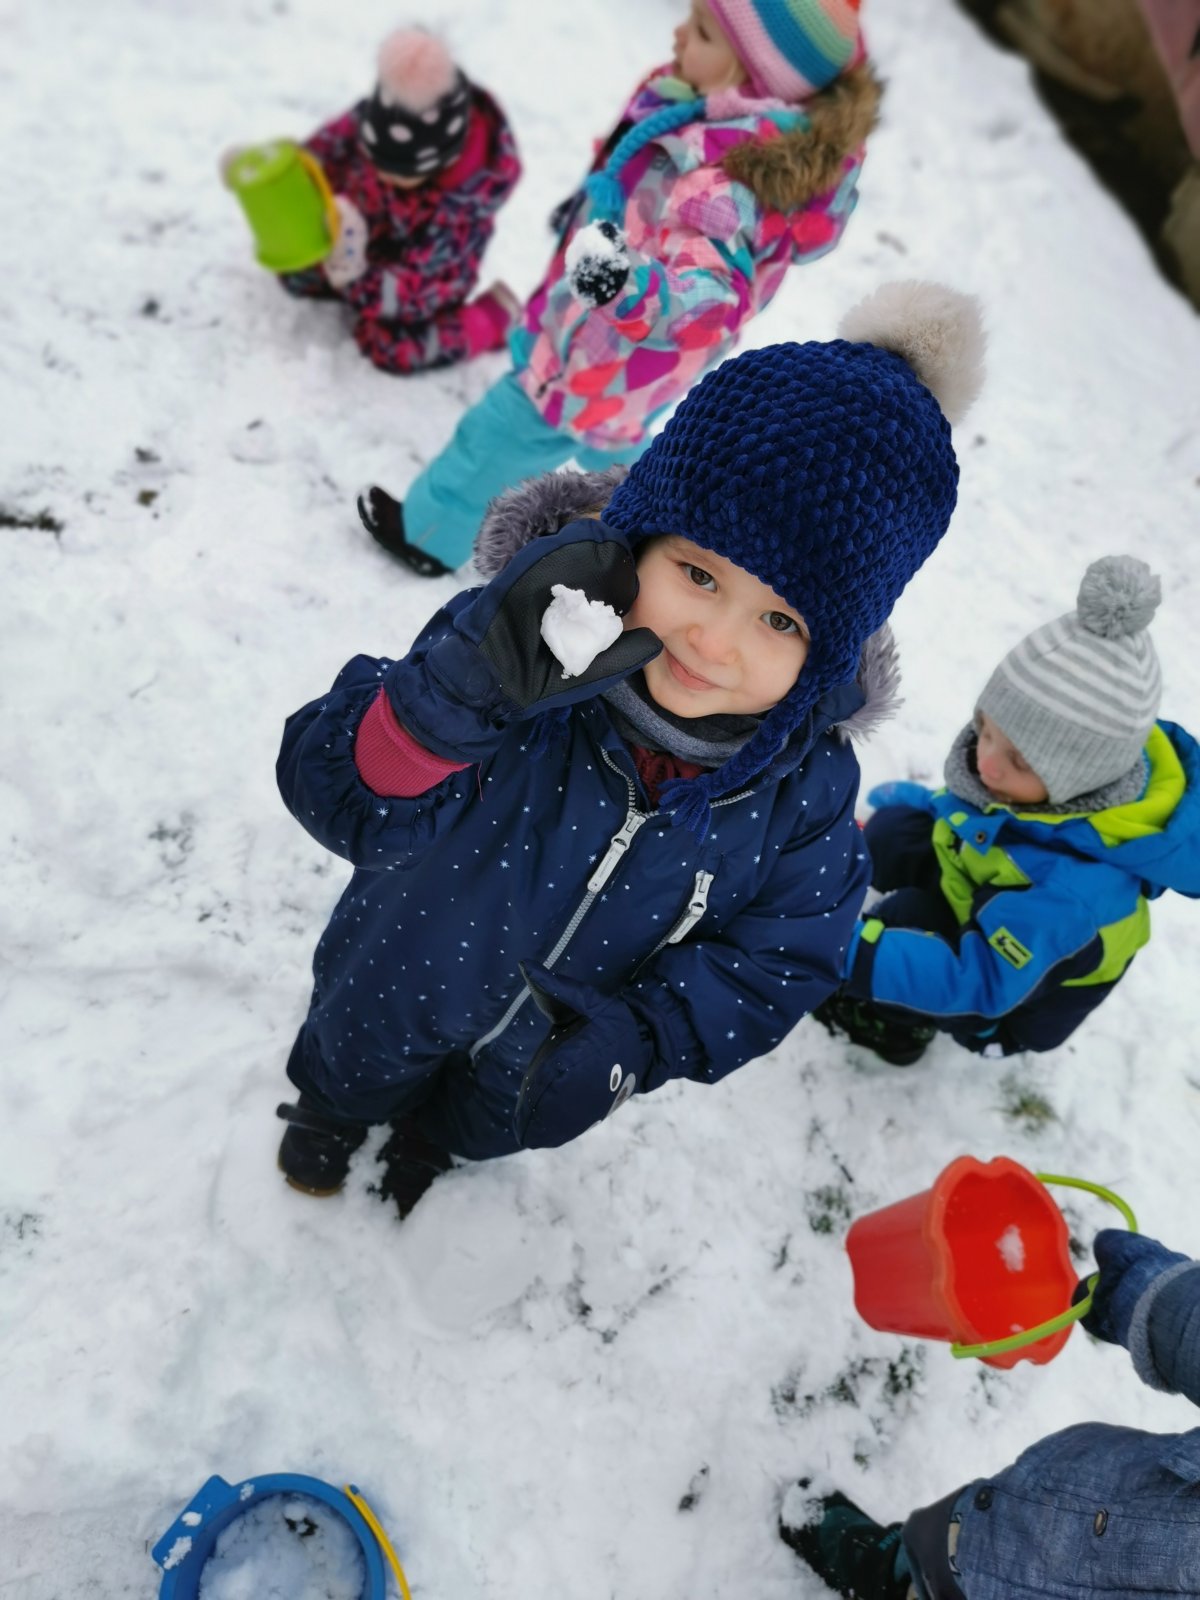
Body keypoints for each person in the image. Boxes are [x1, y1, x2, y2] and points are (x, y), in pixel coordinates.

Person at [272, 281, 983, 1213]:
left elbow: (783, 958)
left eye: (780, 620)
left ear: (829, 652)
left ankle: (433, 1144)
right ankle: (331, 1112)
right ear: (637, 538)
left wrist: (644, 1037)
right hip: (394, 975)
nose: (714, 642)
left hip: (544, 1056)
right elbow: (339, 796)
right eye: (698, 574)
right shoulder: (508, 655)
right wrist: (450, 703)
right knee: (352, 1055)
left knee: (480, 1120)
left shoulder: (800, 794)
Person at [357, 0, 881, 575]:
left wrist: (623, 286)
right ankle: (643, 535)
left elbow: (709, 302)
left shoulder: (723, 181)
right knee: (616, 443)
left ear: (755, 80)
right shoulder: (696, 109)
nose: (680, 34)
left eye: (703, 32)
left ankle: (427, 537)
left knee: (494, 438)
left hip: (595, 358)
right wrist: (594, 206)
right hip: (631, 371)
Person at [816, 556, 1200, 1065]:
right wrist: (918, 805)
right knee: (893, 833)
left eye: (1019, 759)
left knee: (904, 920)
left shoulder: (1073, 894)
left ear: (1080, 779)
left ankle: (892, 1030)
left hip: (1004, 997)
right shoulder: (1038, 794)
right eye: (987, 731)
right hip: (991, 884)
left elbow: (978, 980)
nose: (987, 764)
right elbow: (987, 817)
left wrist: (844, 951)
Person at [779, 1227, 1200, 1600]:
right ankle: (899, 1571)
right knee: (954, 1546)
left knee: (960, 1565)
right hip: (1060, 1511)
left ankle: (902, 1583)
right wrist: (1155, 1298)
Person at [237, 28, 521, 374]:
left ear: (437, 164)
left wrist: (355, 274)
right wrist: (275, 173)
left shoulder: (458, 215)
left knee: (391, 347)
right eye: (371, 156)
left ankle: (489, 321)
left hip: (419, 281)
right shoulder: (387, 112)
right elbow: (325, 149)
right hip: (362, 228)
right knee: (294, 273)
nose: (379, 171)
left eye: (395, 171)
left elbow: (412, 296)